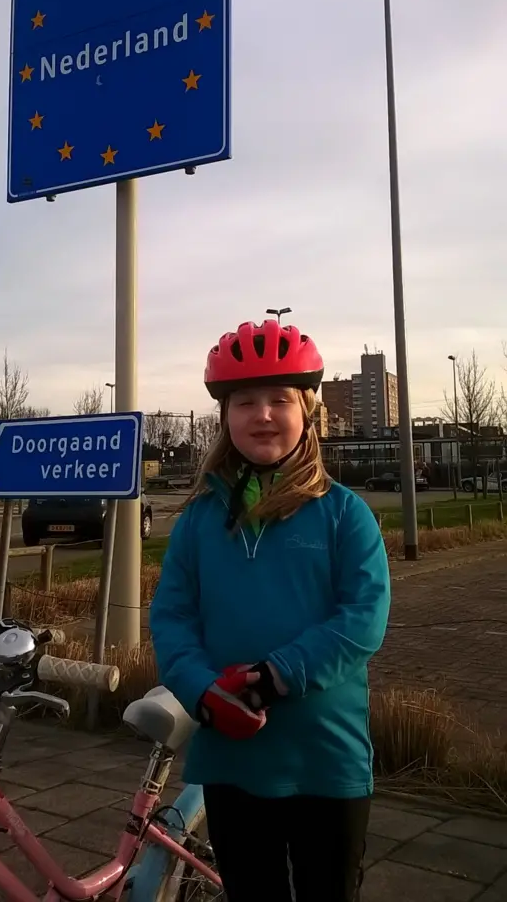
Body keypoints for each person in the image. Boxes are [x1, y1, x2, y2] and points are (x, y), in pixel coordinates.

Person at [150, 319, 391, 902]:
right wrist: (202, 691)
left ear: (308, 411)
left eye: (280, 399)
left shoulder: (343, 514)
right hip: (231, 761)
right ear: (225, 416)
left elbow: (363, 617)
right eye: (245, 401)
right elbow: (172, 618)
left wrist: (274, 675)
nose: (262, 414)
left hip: (325, 762)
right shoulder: (200, 521)